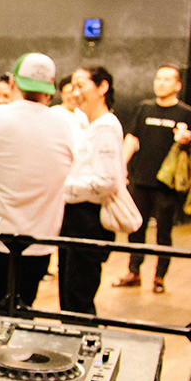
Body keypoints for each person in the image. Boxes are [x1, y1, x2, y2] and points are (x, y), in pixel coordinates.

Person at [0, 52, 75, 307]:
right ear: (51, 87)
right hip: (39, 242)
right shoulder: (64, 124)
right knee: (25, 308)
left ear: (13, 82)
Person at [116, 65, 191, 293]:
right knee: (136, 228)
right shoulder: (144, 108)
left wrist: (187, 138)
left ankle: (159, 277)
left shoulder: (185, 113)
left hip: (167, 185)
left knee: (163, 232)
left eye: (167, 79)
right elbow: (131, 138)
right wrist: (120, 167)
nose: (161, 83)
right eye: (158, 78)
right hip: (141, 179)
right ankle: (134, 271)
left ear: (178, 85)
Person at [58, 67, 123, 315]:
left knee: (78, 299)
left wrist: (63, 188)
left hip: (88, 220)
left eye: (80, 85)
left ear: (102, 87)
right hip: (77, 219)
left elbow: (107, 181)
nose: (75, 93)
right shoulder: (90, 124)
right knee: (70, 297)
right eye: (72, 86)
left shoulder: (105, 127)